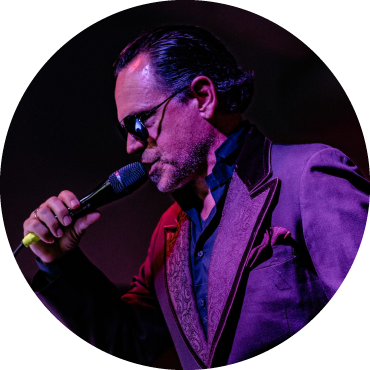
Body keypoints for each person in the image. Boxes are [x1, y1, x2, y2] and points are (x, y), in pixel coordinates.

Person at [24, 25, 369, 368]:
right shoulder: (168, 231)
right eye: (125, 130)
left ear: (202, 97)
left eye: (140, 123)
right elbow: (129, 342)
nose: (131, 145)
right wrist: (58, 263)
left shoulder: (308, 175)